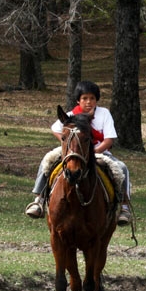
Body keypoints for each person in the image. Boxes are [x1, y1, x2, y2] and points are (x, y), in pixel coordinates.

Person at [25, 81, 132, 225]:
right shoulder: (70, 115)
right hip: (73, 152)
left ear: (97, 99)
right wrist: (67, 145)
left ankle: (124, 206)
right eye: (85, 98)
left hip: (99, 152)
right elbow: (55, 128)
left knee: (122, 168)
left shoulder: (104, 113)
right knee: (47, 160)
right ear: (78, 100)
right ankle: (39, 199)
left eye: (92, 98)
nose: (89, 102)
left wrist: (94, 151)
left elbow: (109, 139)